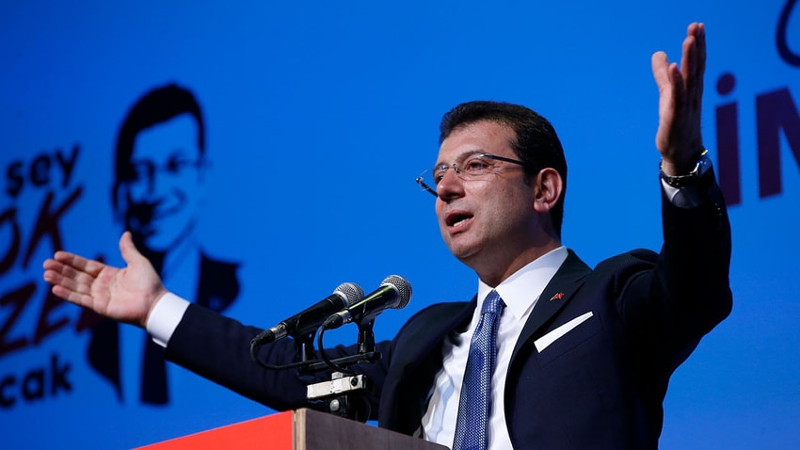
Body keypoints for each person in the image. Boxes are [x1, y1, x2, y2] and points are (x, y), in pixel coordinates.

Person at [44, 23, 730, 449]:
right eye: (440, 175)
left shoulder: (610, 298)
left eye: (474, 166)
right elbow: (285, 372)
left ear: (544, 189)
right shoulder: (426, 337)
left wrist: (682, 166)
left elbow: (696, 287)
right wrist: (155, 307)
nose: (448, 188)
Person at [89, 84, 240, 404]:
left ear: (203, 175)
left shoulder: (238, 290)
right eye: (139, 172)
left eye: (176, 165)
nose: (156, 191)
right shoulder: (97, 343)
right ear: (119, 192)